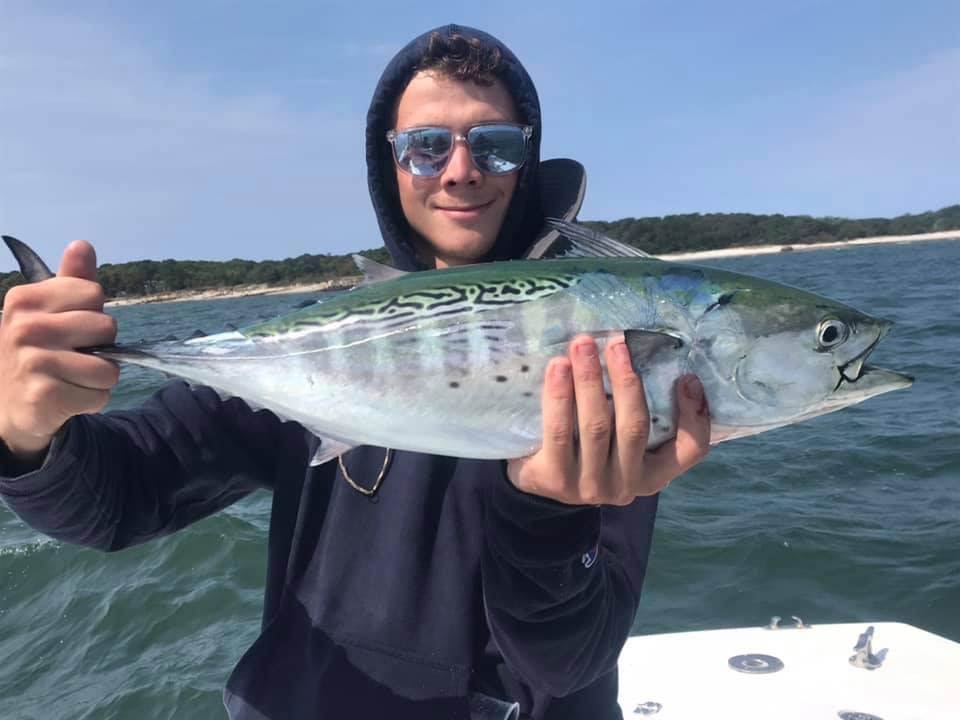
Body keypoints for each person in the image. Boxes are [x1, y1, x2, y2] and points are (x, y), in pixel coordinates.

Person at [0, 24, 710, 720]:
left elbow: (569, 662)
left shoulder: (598, 349)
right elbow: (117, 500)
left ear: (527, 161)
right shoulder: (321, 338)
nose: (460, 170)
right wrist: (29, 437)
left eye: (494, 145)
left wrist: (549, 515)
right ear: (388, 165)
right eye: (427, 147)